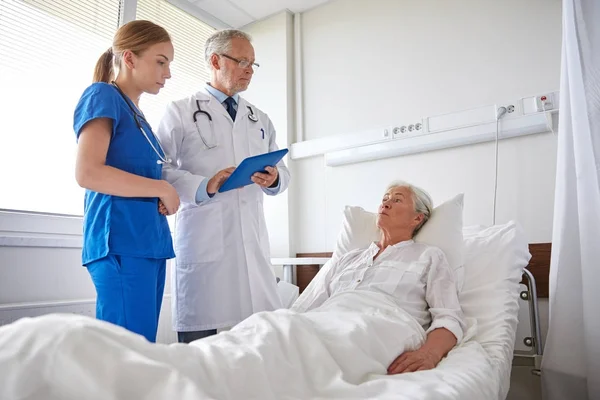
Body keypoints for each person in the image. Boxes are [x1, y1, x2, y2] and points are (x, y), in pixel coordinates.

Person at [155, 29, 290, 343]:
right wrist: (205, 185)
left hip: (251, 243)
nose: (248, 70)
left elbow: (283, 171)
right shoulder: (181, 111)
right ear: (215, 60)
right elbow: (158, 170)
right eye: (242, 61)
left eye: (252, 64)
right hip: (205, 240)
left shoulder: (260, 119)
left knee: (260, 342)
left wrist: (275, 178)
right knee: (200, 347)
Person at [72, 20, 180, 342]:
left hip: (149, 244)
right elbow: (87, 172)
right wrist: (161, 188)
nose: (168, 73)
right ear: (129, 58)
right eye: (161, 62)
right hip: (120, 242)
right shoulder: (102, 95)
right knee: (123, 354)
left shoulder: (139, 117)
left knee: (142, 347)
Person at [291, 181, 466, 374]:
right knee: (269, 333)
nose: (385, 204)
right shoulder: (349, 259)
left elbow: (449, 318)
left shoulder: (429, 256)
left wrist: (429, 354)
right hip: (326, 322)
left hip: (380, 326)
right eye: (385, 199)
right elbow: (304, 308)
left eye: (397, 200)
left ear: (417, 218)